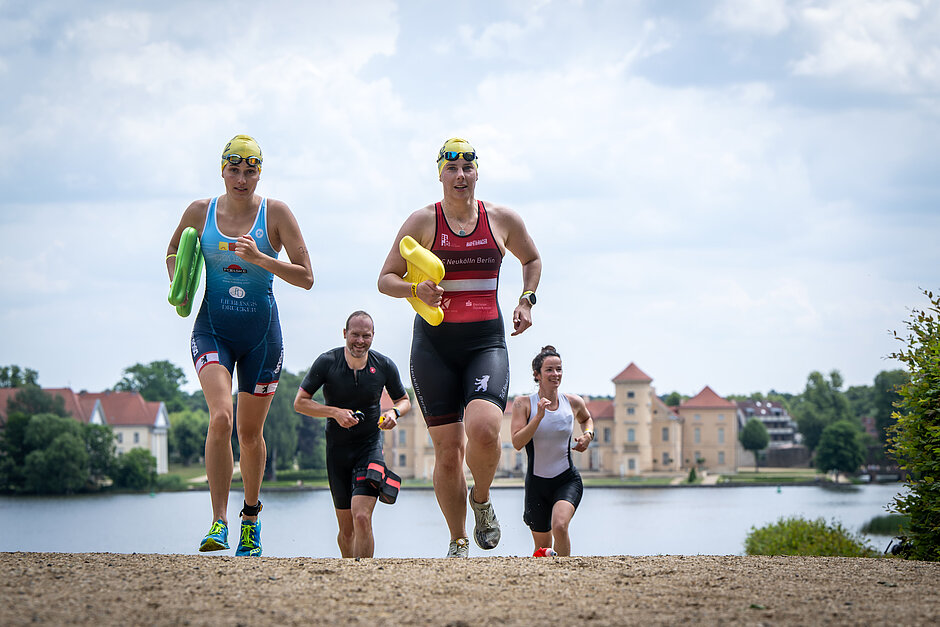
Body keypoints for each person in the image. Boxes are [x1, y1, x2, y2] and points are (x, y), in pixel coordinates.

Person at [377, 137, 542, 557]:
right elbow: (386, 278)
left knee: (485, 429)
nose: (461, 176)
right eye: (452, 169)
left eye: (468, 169)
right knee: (448, 453)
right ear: (441, 175)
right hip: (433, 347)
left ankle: (482, 499)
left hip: (485, 342)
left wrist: (526, 299)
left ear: (476, 174)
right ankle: (457, 539)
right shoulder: (422, 221)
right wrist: (416, 288)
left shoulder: (502, 219)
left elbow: (532, 260)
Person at [165, 134, 313, 556]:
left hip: (262, 337)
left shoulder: (276, 213)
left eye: (250, 171)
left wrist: (262, 259)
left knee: (250, 435)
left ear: (259, 173)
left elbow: (306, 276)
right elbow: (174, 249)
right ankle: (218, 522)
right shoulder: (200, 211)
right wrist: (180, 278)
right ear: (223, 170)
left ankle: (250, 518)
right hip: (212, 328)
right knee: (220, 418)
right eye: (235, 170)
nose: (242, 179)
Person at [293, 311, 411, 558]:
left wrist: (394, 414)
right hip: (337, 451)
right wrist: (334, 412)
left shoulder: (384, 365)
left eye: (366, 336)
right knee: (346, 531)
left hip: (369, 447)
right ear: (344, 333)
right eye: (355, 335)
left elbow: (403, 400)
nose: (360, 341)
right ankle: (349, 573)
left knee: (362, 516)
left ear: (373, 336)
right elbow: (300, 403)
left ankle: (365, 575)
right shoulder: (327, 362)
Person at [511, 345, 593, 557]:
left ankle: (565, 574)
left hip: (567, 480)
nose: (555, 374)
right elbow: (517, 442)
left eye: (559, 369)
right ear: (537, 375)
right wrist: (538, 417)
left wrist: (588, 435)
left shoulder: (572, 401)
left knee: (560, 526)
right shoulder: (523, 404)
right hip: (537, 484)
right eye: (549, 370)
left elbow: (586, 419)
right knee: (542, 550)